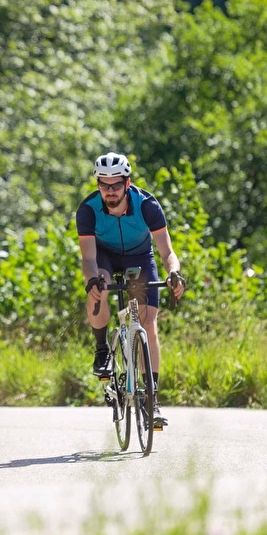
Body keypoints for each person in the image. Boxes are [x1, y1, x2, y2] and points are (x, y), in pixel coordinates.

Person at [75, 152, 186, 427]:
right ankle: (102, 349)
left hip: (139, 256)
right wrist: (93, 281)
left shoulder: (147, 204)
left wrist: (174, 273)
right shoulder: (88, 210)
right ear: (97, 184)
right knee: (98, 284)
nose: (110, 191)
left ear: (128, 183)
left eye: (116, 185)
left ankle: (152, 400)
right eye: (104, 185)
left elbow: (167, 252)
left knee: (148, 323)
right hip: (105, 257)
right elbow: (88, 259)